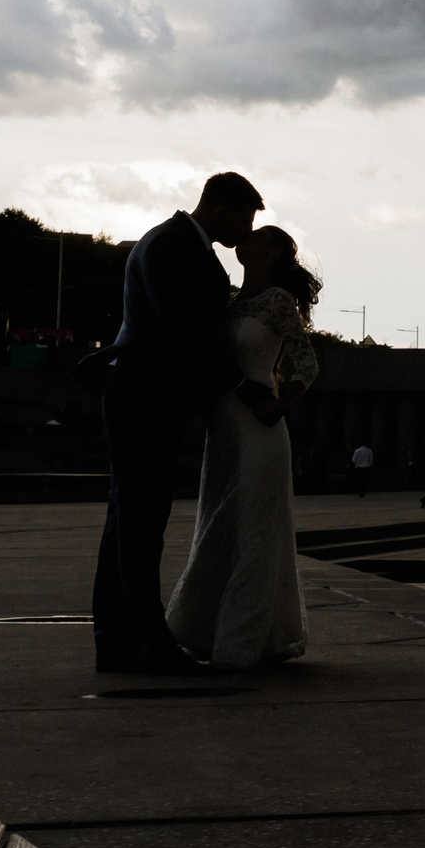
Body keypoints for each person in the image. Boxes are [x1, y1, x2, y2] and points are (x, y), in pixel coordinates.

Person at [90, 172, 260, 674]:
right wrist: (240, 384)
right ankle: (145, 644)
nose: (246, 230)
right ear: (222, 209)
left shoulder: (174, 242)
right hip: (145, 395)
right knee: (141, 525)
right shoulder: (171, 245)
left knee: (129, 522)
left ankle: (119, 642)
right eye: (246, 218)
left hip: (143, 392)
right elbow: (183, 331)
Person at [166, 225, 322, 668]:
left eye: (260, 236)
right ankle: (208, 630)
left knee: (252, 529)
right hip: (224, 428)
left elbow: (307, 363)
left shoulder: (279, 301)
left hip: (258, 427)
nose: (247, 238)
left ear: (273, 252)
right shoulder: (231, 300)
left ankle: (242, 640)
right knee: (218, 525)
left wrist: (280, 405)